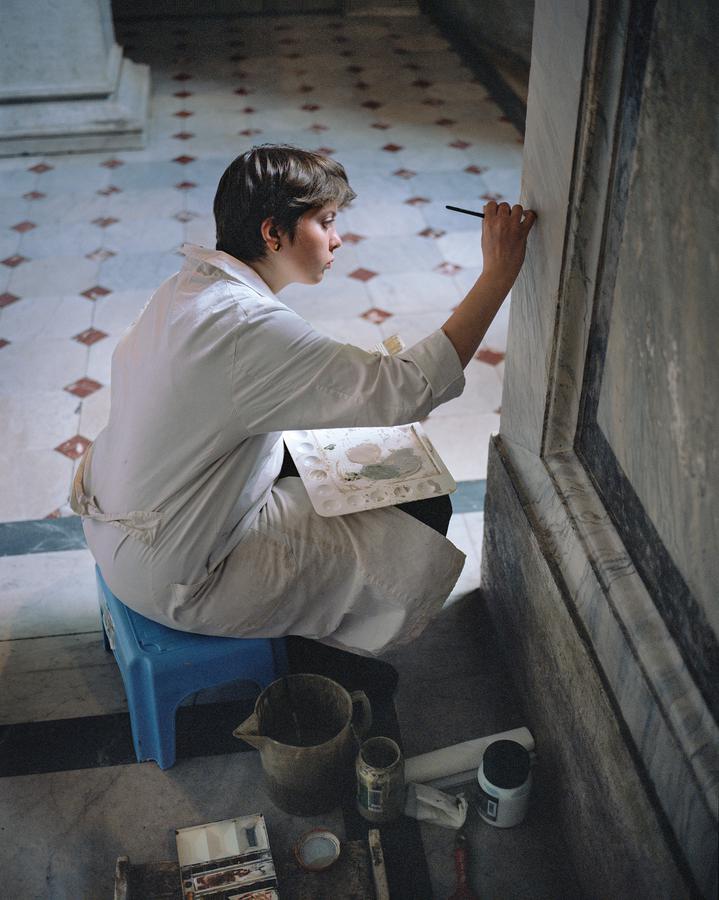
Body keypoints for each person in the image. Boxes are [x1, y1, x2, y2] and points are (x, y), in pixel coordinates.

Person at [71, 144, 536, 696]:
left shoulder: (190, 287)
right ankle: (310, 654)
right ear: (274, 234)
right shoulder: (246, 329)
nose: (337, 239)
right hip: (180, 571)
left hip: (123, 520)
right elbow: (405, 390)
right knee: (419, 514)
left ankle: (306, 627)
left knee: (370, 463)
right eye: (326, 221)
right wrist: (498, 274)